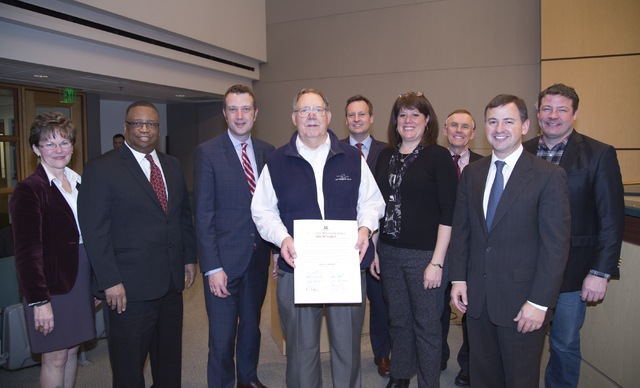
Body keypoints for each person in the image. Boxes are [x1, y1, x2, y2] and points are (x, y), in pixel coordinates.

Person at [251, 88, 385, 388]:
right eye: (304, 110)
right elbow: (262, 211)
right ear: (294, 117)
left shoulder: (352, 157)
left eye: (317, 110)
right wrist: (282, 239)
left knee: (348, 348)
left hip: (345, 268)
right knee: (301, 350)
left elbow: (372, 202)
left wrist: (365, 228)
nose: (311, 116)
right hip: (297, 268)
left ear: (328, 115)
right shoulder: (276, 161)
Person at [450, 94, 571, 388]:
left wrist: (539, 303)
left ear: (526, 126)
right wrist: (458, 279)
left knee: (519, 379)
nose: (499, 128)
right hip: (477, 301)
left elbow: (555, 247)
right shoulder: (472, 173)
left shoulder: (548, 176)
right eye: (492, 121)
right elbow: (462, 231)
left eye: (508, 120)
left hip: (522, 303)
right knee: (483, 377)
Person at [78, 101, 197, 388]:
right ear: (125, 127)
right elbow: (95, 232)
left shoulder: (172, 164)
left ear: (158, 128)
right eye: (137, 123)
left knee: (169, 360)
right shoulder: (101, 169)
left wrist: (189, 258)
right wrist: (110, 281)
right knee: (129, 366)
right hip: (128, 290)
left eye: (151, 124)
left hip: (170, 283)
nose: (145, 129)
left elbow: (181, 216)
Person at [523, 83, 624, 388]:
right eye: (547, 108)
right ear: (538, 113)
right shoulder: (521, 150)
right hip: (524, 269)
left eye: (561, 109)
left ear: (575, 115)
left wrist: (600, 272)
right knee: (522, 341)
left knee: (564, 344)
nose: (553, 115)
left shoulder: (598, 154)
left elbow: (611, 219)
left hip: (573, 271)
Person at [372, 92, 458, 388]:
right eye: (402, 115)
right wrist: (375, 251)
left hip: (426, 257)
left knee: (426, 326)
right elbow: (376, 207)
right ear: (395, 121)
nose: (408, 121)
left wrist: (437, 261)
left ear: (427, 120)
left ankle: (428, 382)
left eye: (415, 115)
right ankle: (400, 375)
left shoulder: (438, 156)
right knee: (398, 321)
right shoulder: (385, 156)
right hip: (390, 253)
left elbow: (449, 213)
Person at [194, 84, 275, 388]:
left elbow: (272, 207)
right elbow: (202, 215)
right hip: (223, 263)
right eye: (233, 109)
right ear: (224, 114)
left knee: (252, 327)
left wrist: (277, 250)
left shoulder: (268, 152)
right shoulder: (207, 152)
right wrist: (212, 267)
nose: (240, 116)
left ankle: (248, 378)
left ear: (256, 113)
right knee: (222, 334)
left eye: (245, 109)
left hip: (258, 258)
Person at [10, 112, 95, 388]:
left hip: (79, 278)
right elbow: (26, 251)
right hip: (51, 285)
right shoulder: (29, 190)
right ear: (36, 148)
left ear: (73, 146)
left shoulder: (80, 182)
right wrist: (39, 300)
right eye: (50, 144)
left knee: (72, 350)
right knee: (55, 356)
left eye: (65, 143)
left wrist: (94, 285)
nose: (59, 150)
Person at [341, 94, 391, 377]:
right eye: (351, 115)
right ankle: (347, 357)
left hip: (378, 237)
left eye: (362, 114)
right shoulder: (333, 150)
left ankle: (382, 354)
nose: (356, 119)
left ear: (371, 118)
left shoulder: (388, 152)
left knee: (380, 300)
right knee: (348, 304)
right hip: (342, 241)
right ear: (345, 119)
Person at [440, 109, 482, 387]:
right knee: (436, 308)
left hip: (472, 248)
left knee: (470, 311)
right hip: (438, 247)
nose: (458, 130)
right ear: (445, 130)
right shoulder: (433, 160)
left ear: (473, 133)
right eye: (453, 125)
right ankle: (438, 356)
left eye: (465, 126)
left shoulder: (485, 164)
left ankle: (468, 364)